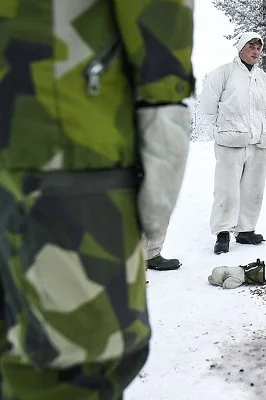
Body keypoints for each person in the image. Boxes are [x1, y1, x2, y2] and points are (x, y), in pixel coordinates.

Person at [0, 1, 194, 398]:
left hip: (55, 168)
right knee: (70, 372)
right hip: (63, 170)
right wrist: (164, 120)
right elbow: (161, 30)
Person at [199, 32, 266, 255]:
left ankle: (245, 230)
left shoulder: (264, 79)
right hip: (230, 140)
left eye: (259, 48)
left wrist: (256, 126)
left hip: (258, 140)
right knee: (227, 189)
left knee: (254, 188)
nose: (255, 51)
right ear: (241, 48)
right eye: (251, 46)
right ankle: (223, 232)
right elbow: (208, 106)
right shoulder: (223, 73)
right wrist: (226, 125)